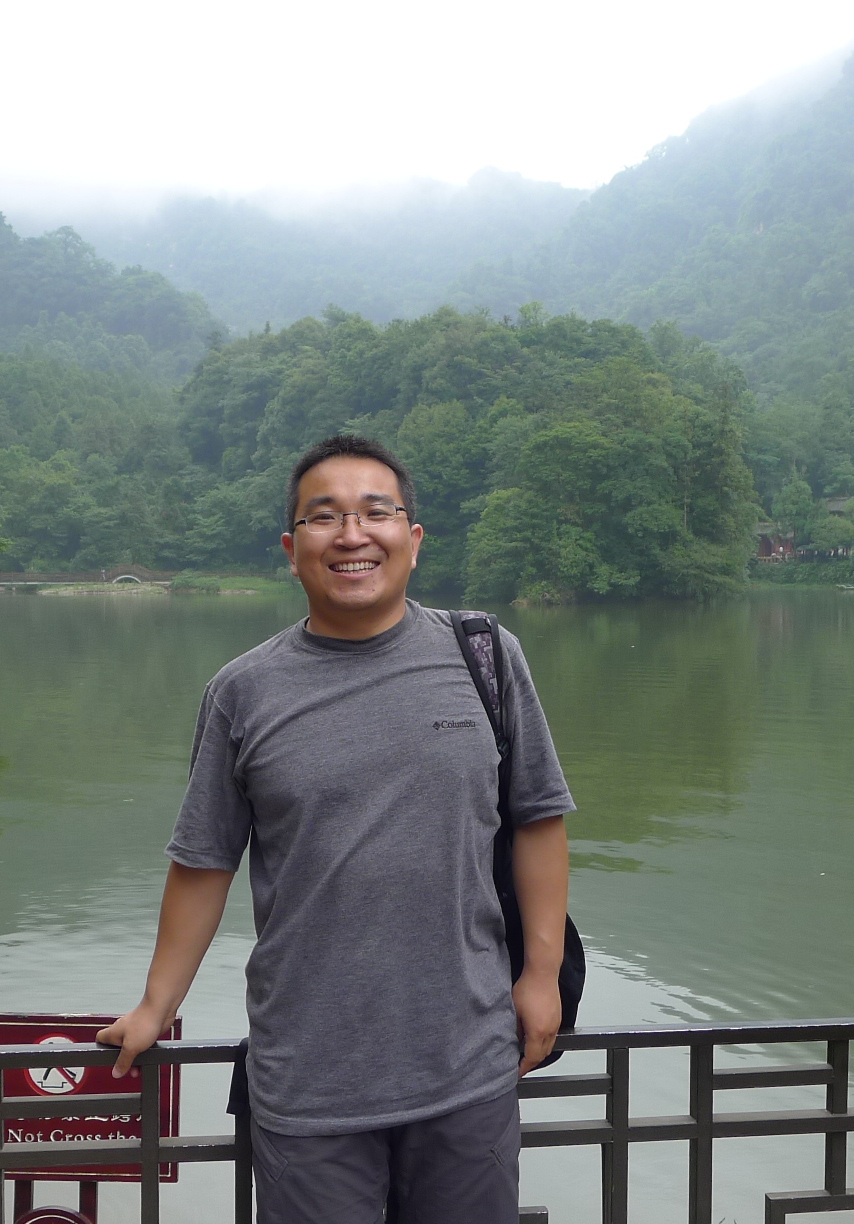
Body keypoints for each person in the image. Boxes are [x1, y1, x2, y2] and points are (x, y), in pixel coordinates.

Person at [98, 435, 575, 1224]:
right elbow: (204, 863)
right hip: (308, 1080)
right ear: (293, 551)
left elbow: (539, 818)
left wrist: (542, 977)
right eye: (324, 517)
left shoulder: (486, 657)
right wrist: (155, 1006)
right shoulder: (243, 692)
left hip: (467, 1063)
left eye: (375, 513)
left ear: (412, 539)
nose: (352, 535)